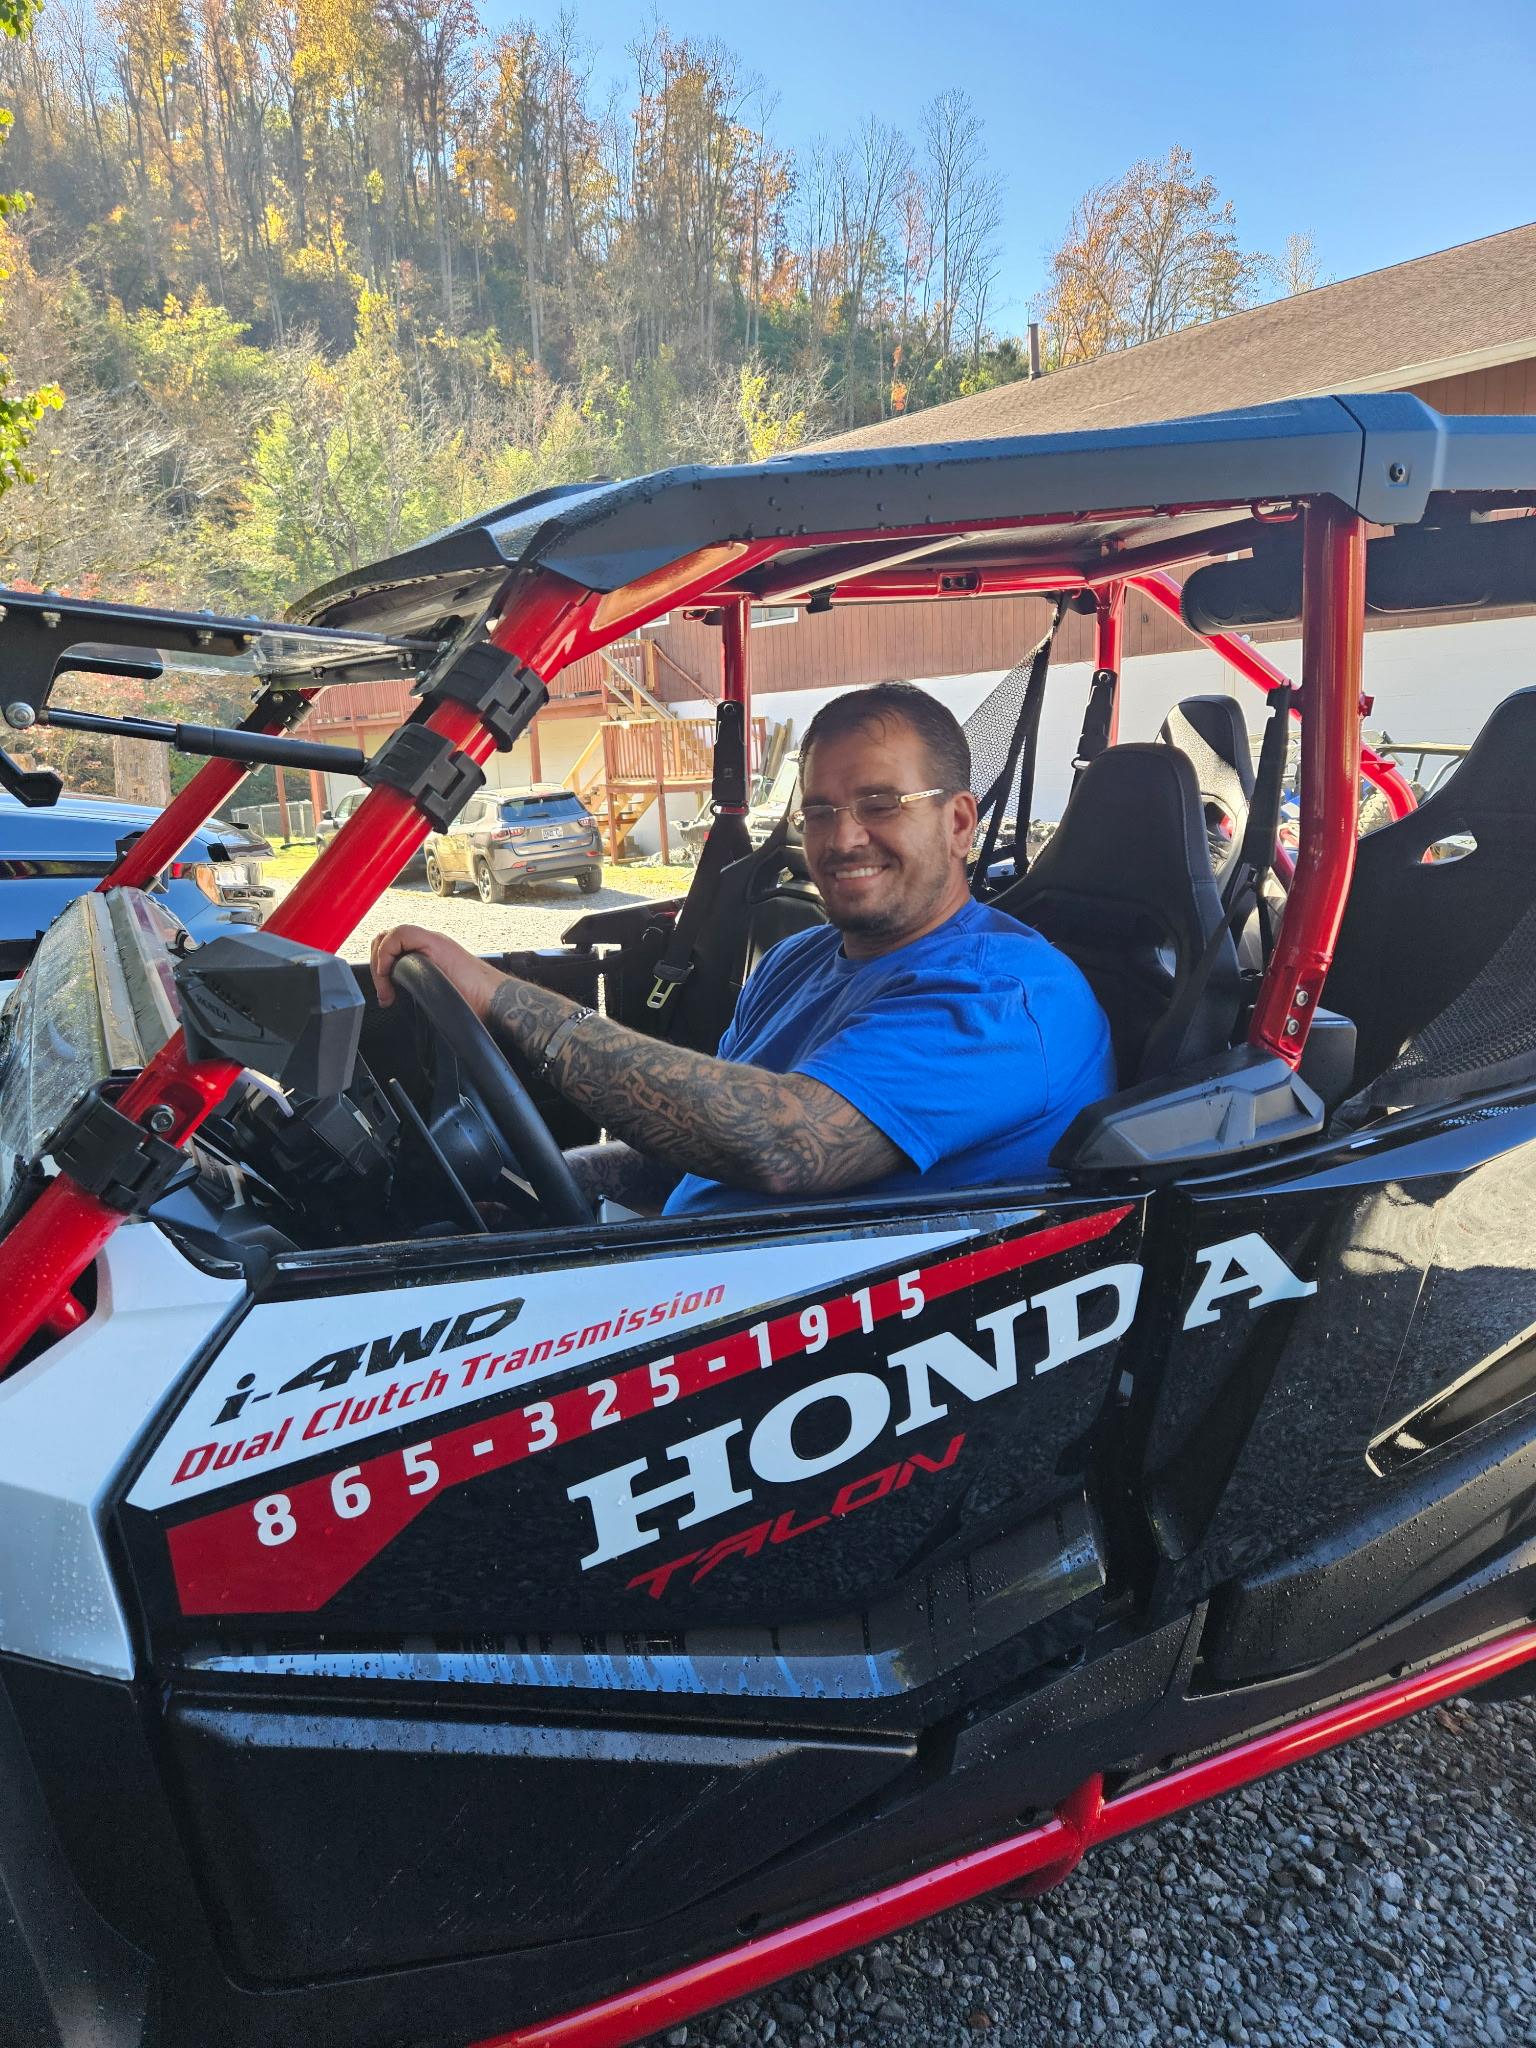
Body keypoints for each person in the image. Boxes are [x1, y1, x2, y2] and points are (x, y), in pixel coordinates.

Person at [370, 682, 1114, 1217]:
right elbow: (694, 1146)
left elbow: (780, 1148)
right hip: (705, 1296)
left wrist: (502, 997)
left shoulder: (1005, 996)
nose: (844, 837)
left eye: (880, 805)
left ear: (958, 823)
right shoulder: (802, 960)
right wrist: (556, 1182)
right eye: (820, 811)